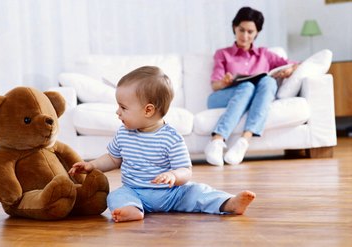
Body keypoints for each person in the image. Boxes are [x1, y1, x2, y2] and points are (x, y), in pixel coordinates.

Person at [69, 66, 256, 223]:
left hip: (173, 194)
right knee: (115, 195)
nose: (117, 112)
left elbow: (185, 170)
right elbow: (112, 158)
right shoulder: (123, 133)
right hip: (135, 192)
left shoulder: (171, 138)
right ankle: (131, 209)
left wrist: (173, 175)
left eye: (123, 107)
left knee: (198, 191)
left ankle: (229, 203)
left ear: (148, 110)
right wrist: (92, 165)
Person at [204, 6, 298, 166]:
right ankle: (217, 140)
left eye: (250, 32)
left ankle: (243, 141)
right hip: (222, 97)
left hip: (253, 97)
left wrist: (290, 69)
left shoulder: (265, 54)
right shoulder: (222, 53)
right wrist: (225, 81)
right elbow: (215, 86)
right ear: (234, 27)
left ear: (257, 33)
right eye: (241, 30)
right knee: (247, 86)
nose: (245, 36)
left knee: (268, 81)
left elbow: (297, 64)